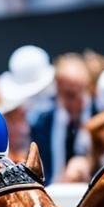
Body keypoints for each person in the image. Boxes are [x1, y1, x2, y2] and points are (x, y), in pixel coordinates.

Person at [30, 54, 93, 184]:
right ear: (58, 88)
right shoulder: (42, 122)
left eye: (83, 90)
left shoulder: (100, 114)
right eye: (71, 94)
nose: (80, 100)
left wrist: (89, 161)